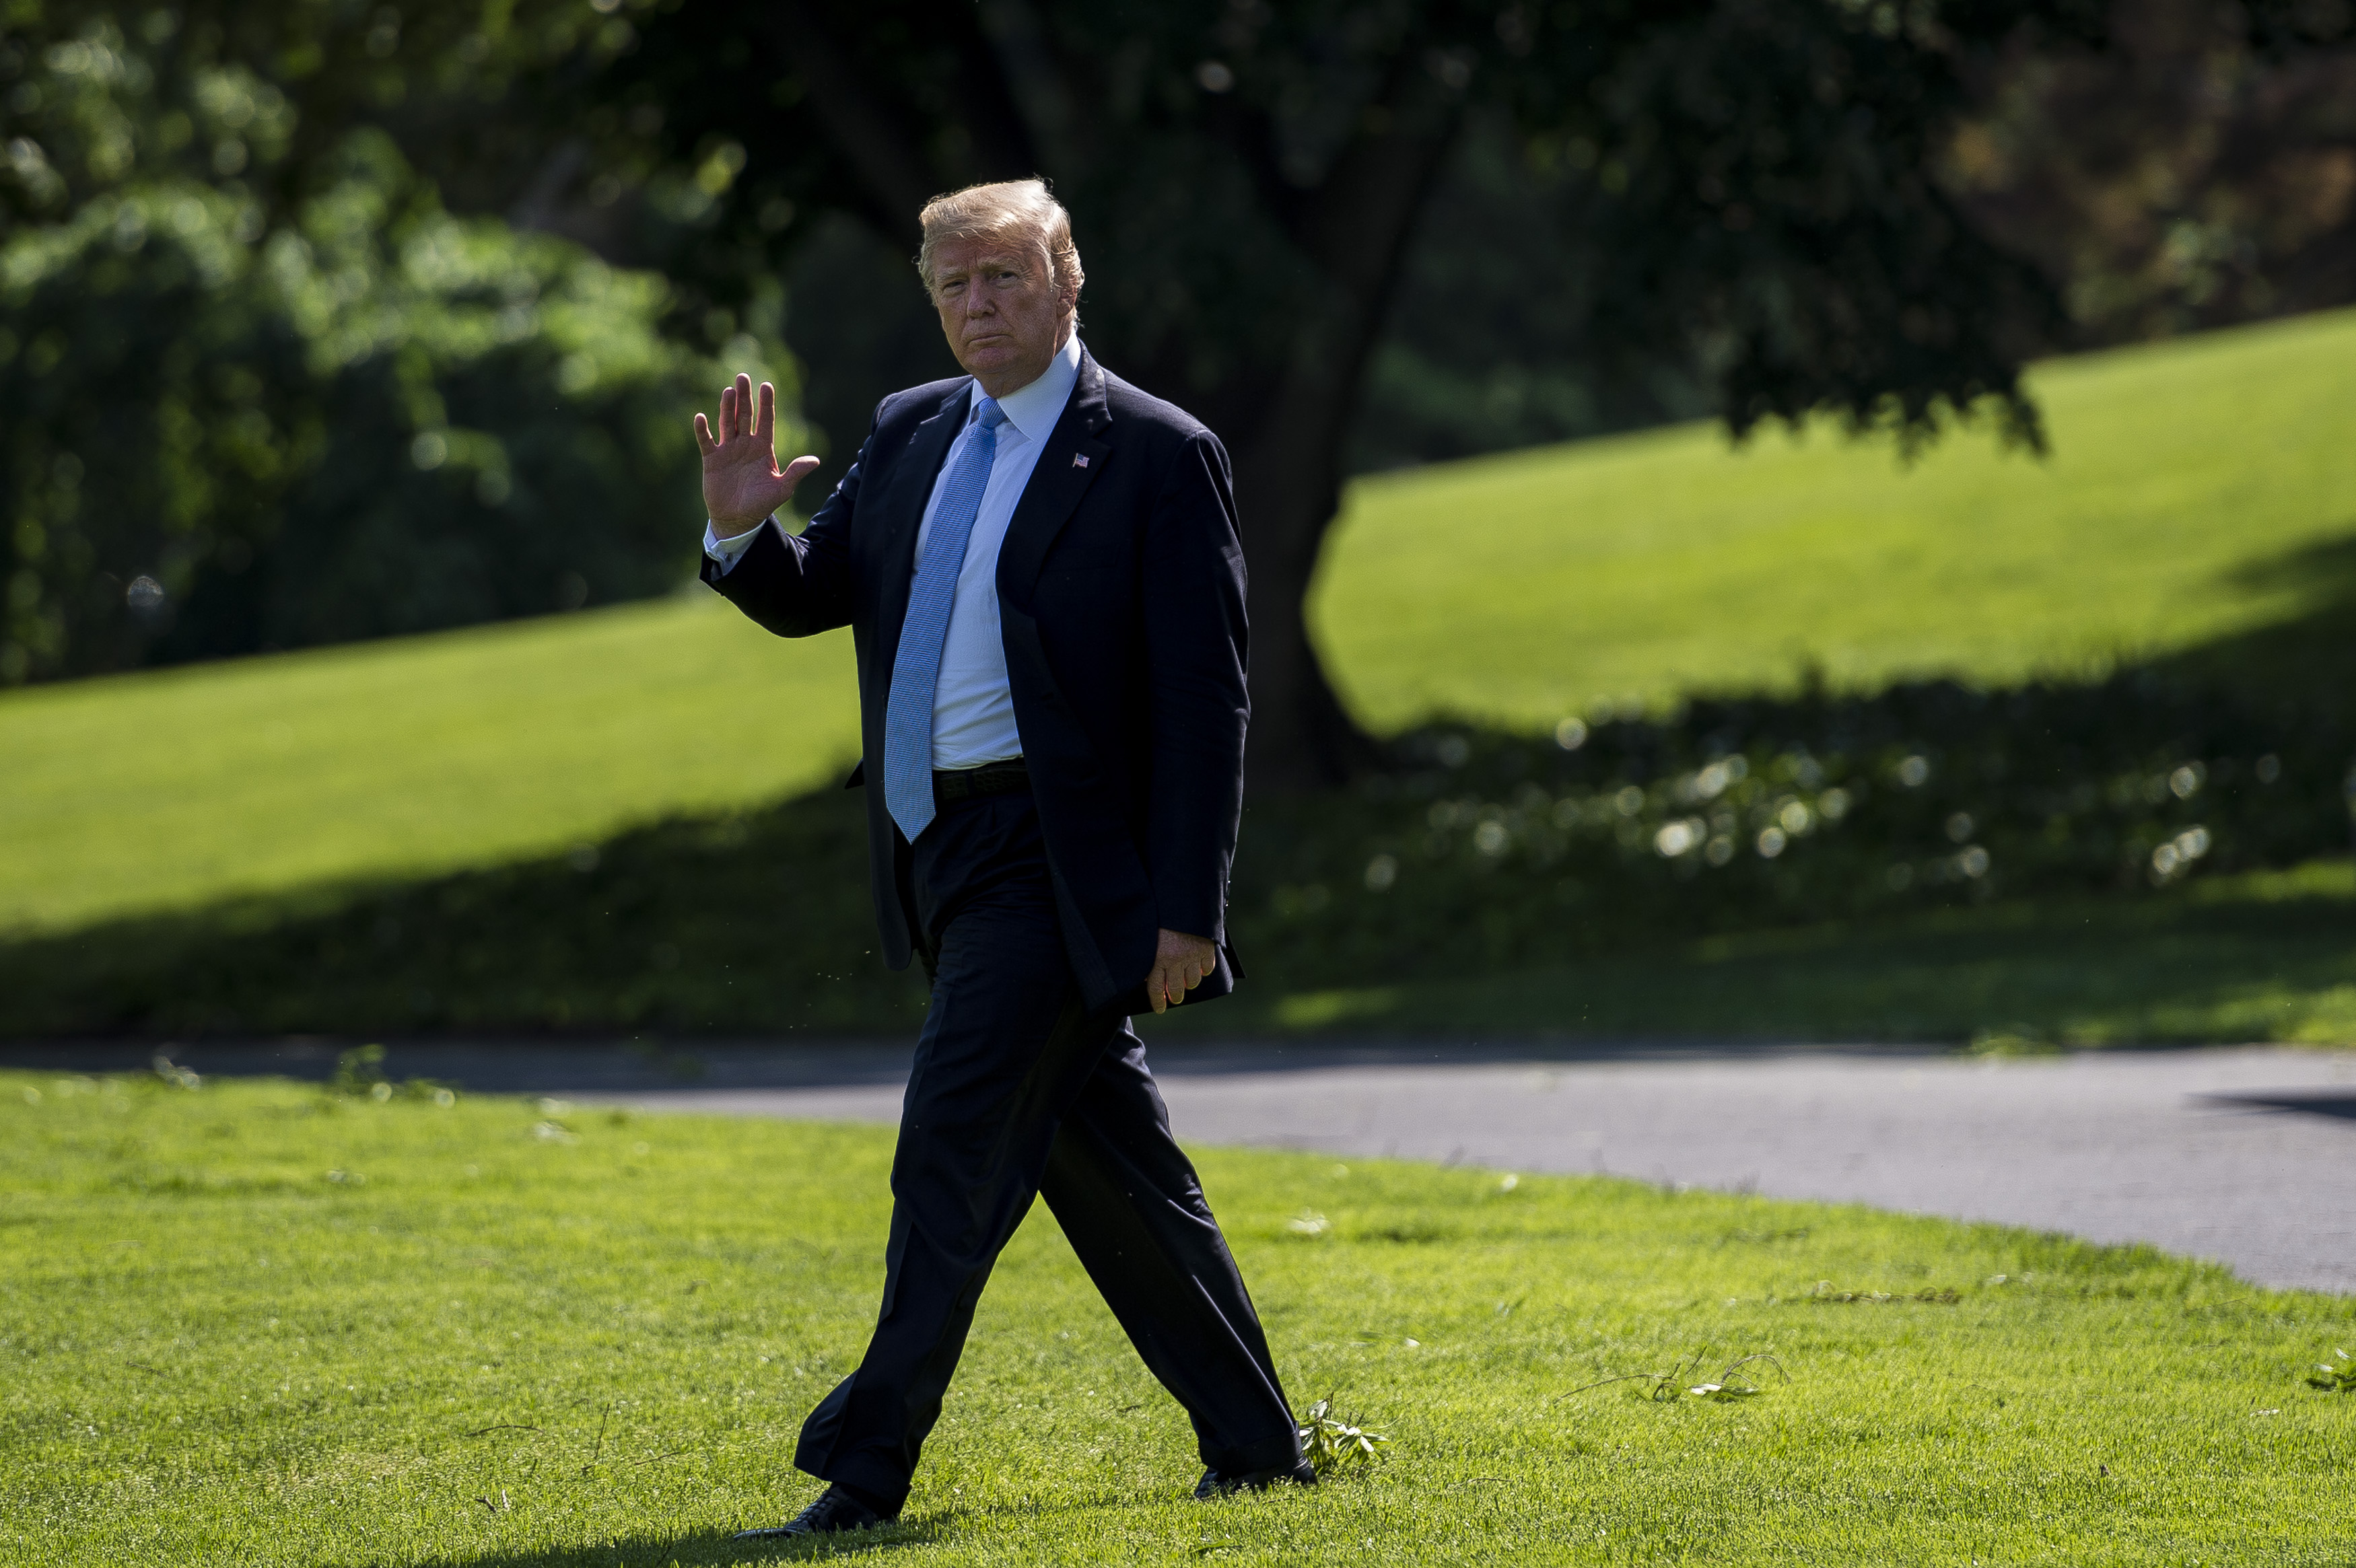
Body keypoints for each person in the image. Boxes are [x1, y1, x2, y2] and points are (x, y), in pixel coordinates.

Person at [693, 178, 1311, 1540]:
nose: (980, 303)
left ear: (1067, 279)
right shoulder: (913, 428)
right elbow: (816, 595)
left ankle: (866, 1470)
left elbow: (1206, 705)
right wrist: (743, 531)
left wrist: (1184, 910)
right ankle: (1261, 1446)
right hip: (941, 849)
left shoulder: (1155, 451)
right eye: (956, 284)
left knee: (951, 1143)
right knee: (1112, 1167)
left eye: (1006, 277)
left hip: (1063, 859)